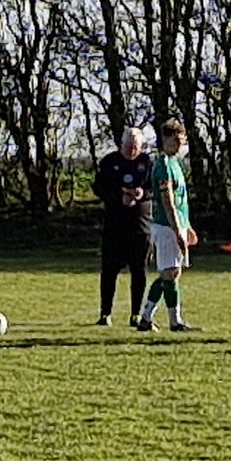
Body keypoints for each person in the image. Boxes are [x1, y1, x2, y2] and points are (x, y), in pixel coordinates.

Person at [93, 126, 158, 328]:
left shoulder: (148, 163)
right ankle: (105, 314)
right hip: (115, 228)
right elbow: (98, 188)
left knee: (139, 271)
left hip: (141, 228)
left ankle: (136, 314)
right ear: (121, 144)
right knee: (109, 271)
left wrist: (142, 193)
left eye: (136, 147)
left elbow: (155, 188)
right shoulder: (109, 162)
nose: (131, 150)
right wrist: (118, 196)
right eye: (128, 146)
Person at [142, 121, 199, 331]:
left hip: (177, 224)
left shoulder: (176, 163)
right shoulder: (163, 165)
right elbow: (168, 202)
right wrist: (177, 230)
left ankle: (146, 317)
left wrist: (187, 226)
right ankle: (174, 321)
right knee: (170, 272)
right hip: (166, 226)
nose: (179, 145)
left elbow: (182, 200)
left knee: (170, 273)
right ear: (165, 139)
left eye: (182, 141)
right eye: (176, 140)